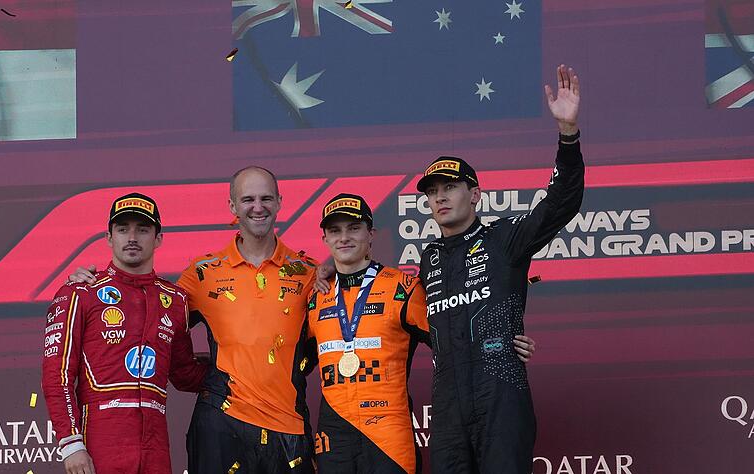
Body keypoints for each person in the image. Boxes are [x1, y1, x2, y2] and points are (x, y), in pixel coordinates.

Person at [69, 167, 324, 473]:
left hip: (288, 426)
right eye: (248, 199)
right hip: (222, 426)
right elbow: (149, 318)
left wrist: (336, 267)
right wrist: (94, 284)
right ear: (232, 206)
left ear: (280, 202)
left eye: (266, 198)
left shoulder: (309, 271)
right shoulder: (203, 273)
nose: (258, 207)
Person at [418, 64, 584, 474]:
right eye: (433, 192)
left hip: (501, 394)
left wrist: (568, 134)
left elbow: (560, 203)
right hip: (448, 406)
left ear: (474, 193)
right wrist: (332, 268)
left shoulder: (504, 238)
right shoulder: (429, 259)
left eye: (450, 188)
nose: (440, 198)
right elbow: (395, 317)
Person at [306, 194, 537, 474]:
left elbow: (453, 334)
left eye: (354, 228)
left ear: (371, 234)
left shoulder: (403, 288)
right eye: (335, 231)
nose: (344, 237)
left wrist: (501, 341)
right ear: (325, 240)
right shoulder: (315, 296)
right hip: (334, 437)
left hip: (388, 437)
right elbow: (291, 364)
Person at [42, 192, 208, 474]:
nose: (132, 237)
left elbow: (183, 374)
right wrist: (72, 444)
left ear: (158, 239)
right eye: (122, 229)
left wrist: (239, 370)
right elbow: (57, 377)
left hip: (156, 445)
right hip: (101, 443)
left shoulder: (175, 299)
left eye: (142, 229)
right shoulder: (79, 292)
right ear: (109, 238)